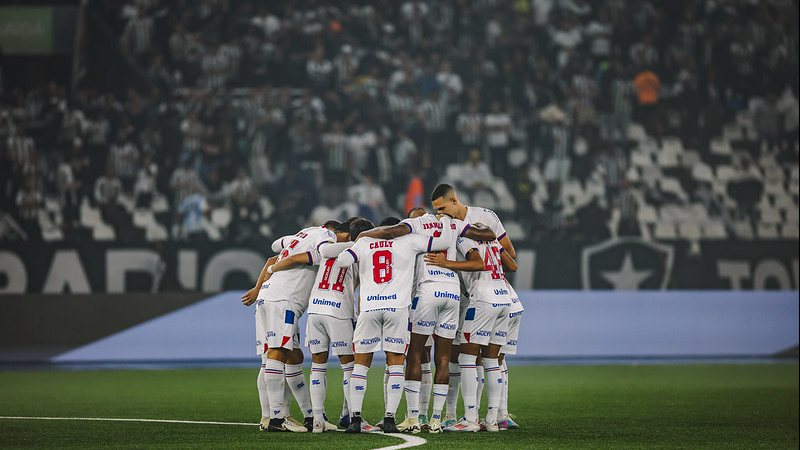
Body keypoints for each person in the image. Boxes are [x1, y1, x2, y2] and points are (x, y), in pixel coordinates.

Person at [356, 207, 496, 433]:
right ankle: (436, 420)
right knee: (442, 357)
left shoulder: (412, 236)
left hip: (427, 293)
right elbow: (486, 236)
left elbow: (392, 235)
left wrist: (364, 236)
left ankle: (413, 419)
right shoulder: (454, 230)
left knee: (415, 353)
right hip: (452, 293)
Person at [330, 218, 451, 433]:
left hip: (370, 308)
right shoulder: (410, 241)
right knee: (395, 364)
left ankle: (355, 419)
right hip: (397, 309)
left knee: (361, 364)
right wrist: (448, 222)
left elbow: (341, 261)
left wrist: (359, 241)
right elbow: (443, 243)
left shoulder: (365, 241)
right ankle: (389, 420)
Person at [242, 221, 340, 432]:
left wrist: (258, 289)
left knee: (292, 356)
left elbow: (273, 251)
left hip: (270, 297)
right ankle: (277, 418)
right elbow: (301, 257)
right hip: (283, 300)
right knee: (276, 353)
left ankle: (305, 415)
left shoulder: (299, 237)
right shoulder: (325, 237)